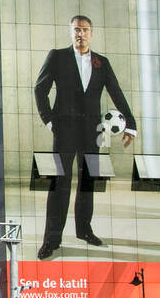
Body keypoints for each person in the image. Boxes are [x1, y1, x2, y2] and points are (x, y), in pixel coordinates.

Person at [35, 14, 137, 259]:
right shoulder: (57, 56)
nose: (80, 33)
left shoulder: (102, 62)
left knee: (88, 182)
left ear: (92, 33)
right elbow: (40, 88)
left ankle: (84, 230)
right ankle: (51, 240)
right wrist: (49, 120)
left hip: (93, 133)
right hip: (64, 131)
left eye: (85, 29)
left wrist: (130, 124)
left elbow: (116, 92)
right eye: (76, 29)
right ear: (71, 32)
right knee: (59, 183)